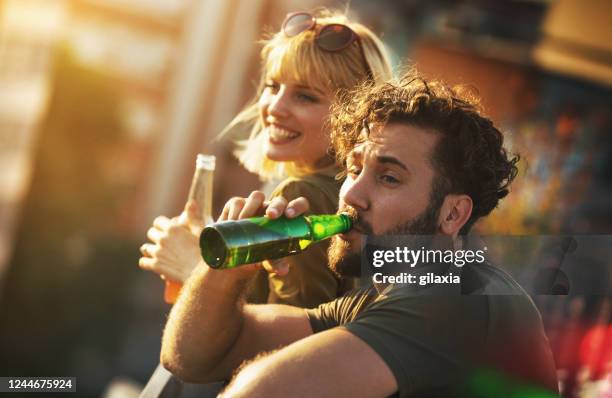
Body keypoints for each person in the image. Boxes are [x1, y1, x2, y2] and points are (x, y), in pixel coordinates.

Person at [159, 73, 559, 397]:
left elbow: (260, 393)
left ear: (452, 212)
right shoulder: (387, 295)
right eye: (353, 169)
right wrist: (226, 272)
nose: (350, 194)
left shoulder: (456, 297)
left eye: (388, 177)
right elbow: (193, 357)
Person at [139, 9, 393, 307]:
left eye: (305, 96)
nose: (275, 107)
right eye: (273, 86)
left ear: (353, 117)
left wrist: (194, 267)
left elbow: (290, 342)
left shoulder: (302, 196)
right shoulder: (362, 197)